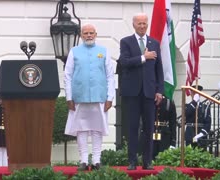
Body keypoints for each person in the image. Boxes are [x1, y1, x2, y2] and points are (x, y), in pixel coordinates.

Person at [64, 24, 115, 171]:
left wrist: (110, 97)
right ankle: (84, 160)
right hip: (79, 97)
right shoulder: (74, 52)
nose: (89, 35)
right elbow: (67, 75)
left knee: (97, 129)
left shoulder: (103, 51)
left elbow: (110, 76)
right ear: (81, 35)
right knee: (82, 129)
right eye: (86, 33)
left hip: (99, 96)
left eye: (91, 33)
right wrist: (68, 97)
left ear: (96, 34)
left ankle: (97, 160)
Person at [118, 13, 164, 170]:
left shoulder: (154, 43)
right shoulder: (126, 42)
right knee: (132, 128)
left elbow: (159, 70)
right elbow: (124, 62)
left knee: (149, 128)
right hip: (132, 93)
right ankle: (132, 161)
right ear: (134, 24)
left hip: (149, 93)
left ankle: (147, 161)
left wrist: (160, 90)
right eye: (139, 24)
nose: (142, 26)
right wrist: (143, 57)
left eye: (145, 23)